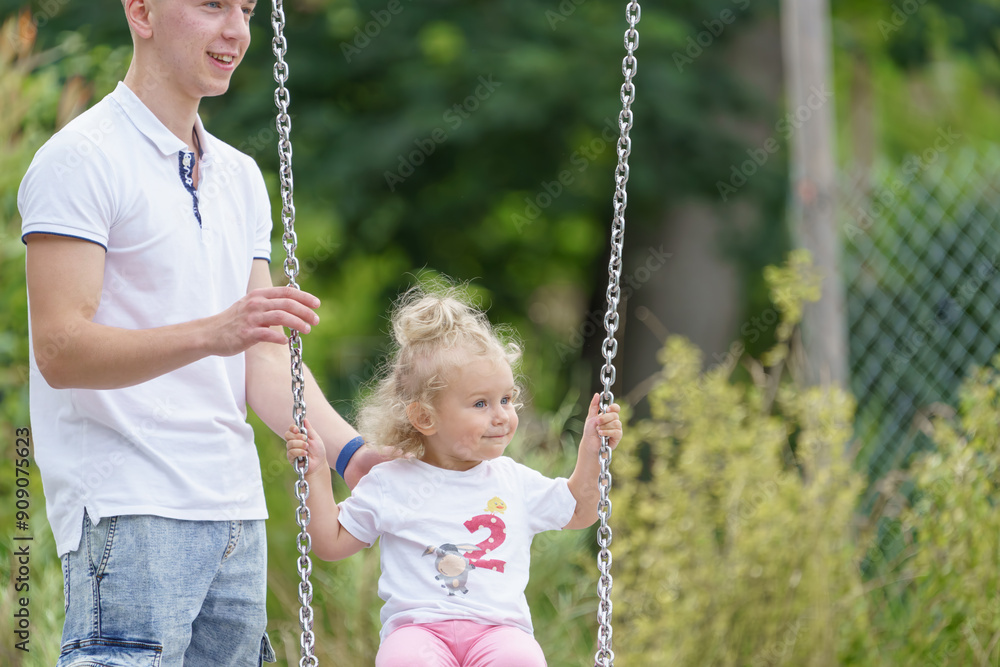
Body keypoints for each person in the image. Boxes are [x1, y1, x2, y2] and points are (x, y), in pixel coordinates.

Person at [18, 1, 381, 663]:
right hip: (129, 511)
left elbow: (263, 353)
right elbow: (60, 350)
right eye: (212, 5)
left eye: (245, 8)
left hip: (234, 513)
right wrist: (217, 331)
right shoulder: (79, 159)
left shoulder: (239, 175)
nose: (237, 29)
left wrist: (353, 454)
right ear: (141, 11)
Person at [284, 287, 624, 666]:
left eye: (506, 399)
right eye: (481, 403)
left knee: (521, 658)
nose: (501, 415)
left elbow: (579, 510)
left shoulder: (513, 481)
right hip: (418, 631)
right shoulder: (390, 482)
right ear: (425, 417)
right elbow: (330, 543)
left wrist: (592, 452)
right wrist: (314, 473)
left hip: (499, 631)